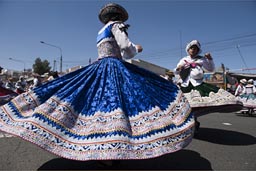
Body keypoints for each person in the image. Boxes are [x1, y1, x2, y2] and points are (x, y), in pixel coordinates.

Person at [0, 3, 194, 163]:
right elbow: (127, 49)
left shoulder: (100, 31)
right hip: (115, 67)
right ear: (119, 16)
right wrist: (137, 48)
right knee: (127, 101)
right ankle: (115, 149)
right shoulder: (117, 26)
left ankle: (100, 149)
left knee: (96, 104)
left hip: (99, 66)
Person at [174, 40, 242, 131]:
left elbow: (211, 69)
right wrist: (179, 68)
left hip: (198, 84)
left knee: (198, 104)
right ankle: (186, 123)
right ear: (188, 49)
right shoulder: (184, 60)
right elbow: (176, 71)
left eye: (195, 49)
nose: (193, 50)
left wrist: (210, 59)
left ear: (198, 51)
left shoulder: (201, 59)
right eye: (191, 48)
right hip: (185, 85)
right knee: (182, 104)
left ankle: (194, 122)